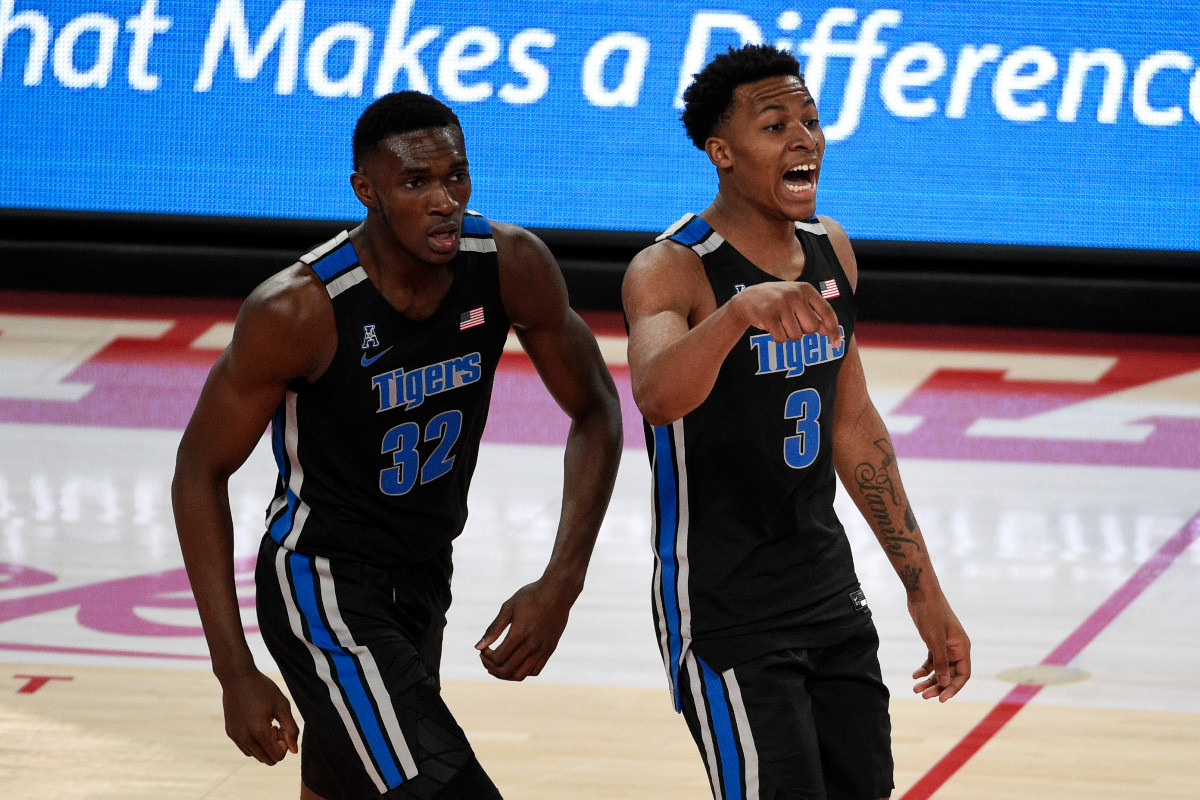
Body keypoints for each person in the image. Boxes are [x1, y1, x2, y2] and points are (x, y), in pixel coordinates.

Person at [172, 90, 623, 800]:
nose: (444, 200)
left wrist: (562, 580)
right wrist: (233, 669)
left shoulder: (510, 263)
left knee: (349, 783)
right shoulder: (298, 307)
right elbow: (199, 470)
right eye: (416, 183)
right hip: (321, 583)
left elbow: (597, 407)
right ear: (367, 191)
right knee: (441, 786)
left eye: (456, 176)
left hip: (422, 572)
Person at [621, 44, 971, 800]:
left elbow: (853, 427)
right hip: (723, 609)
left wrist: (924, 590)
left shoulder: (829, 248)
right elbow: (656, 394)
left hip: (827, 593)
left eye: (810, 120)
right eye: (776, 125)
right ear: (722, 153)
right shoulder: (672, 266)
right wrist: (739, 313)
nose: (804, 138)